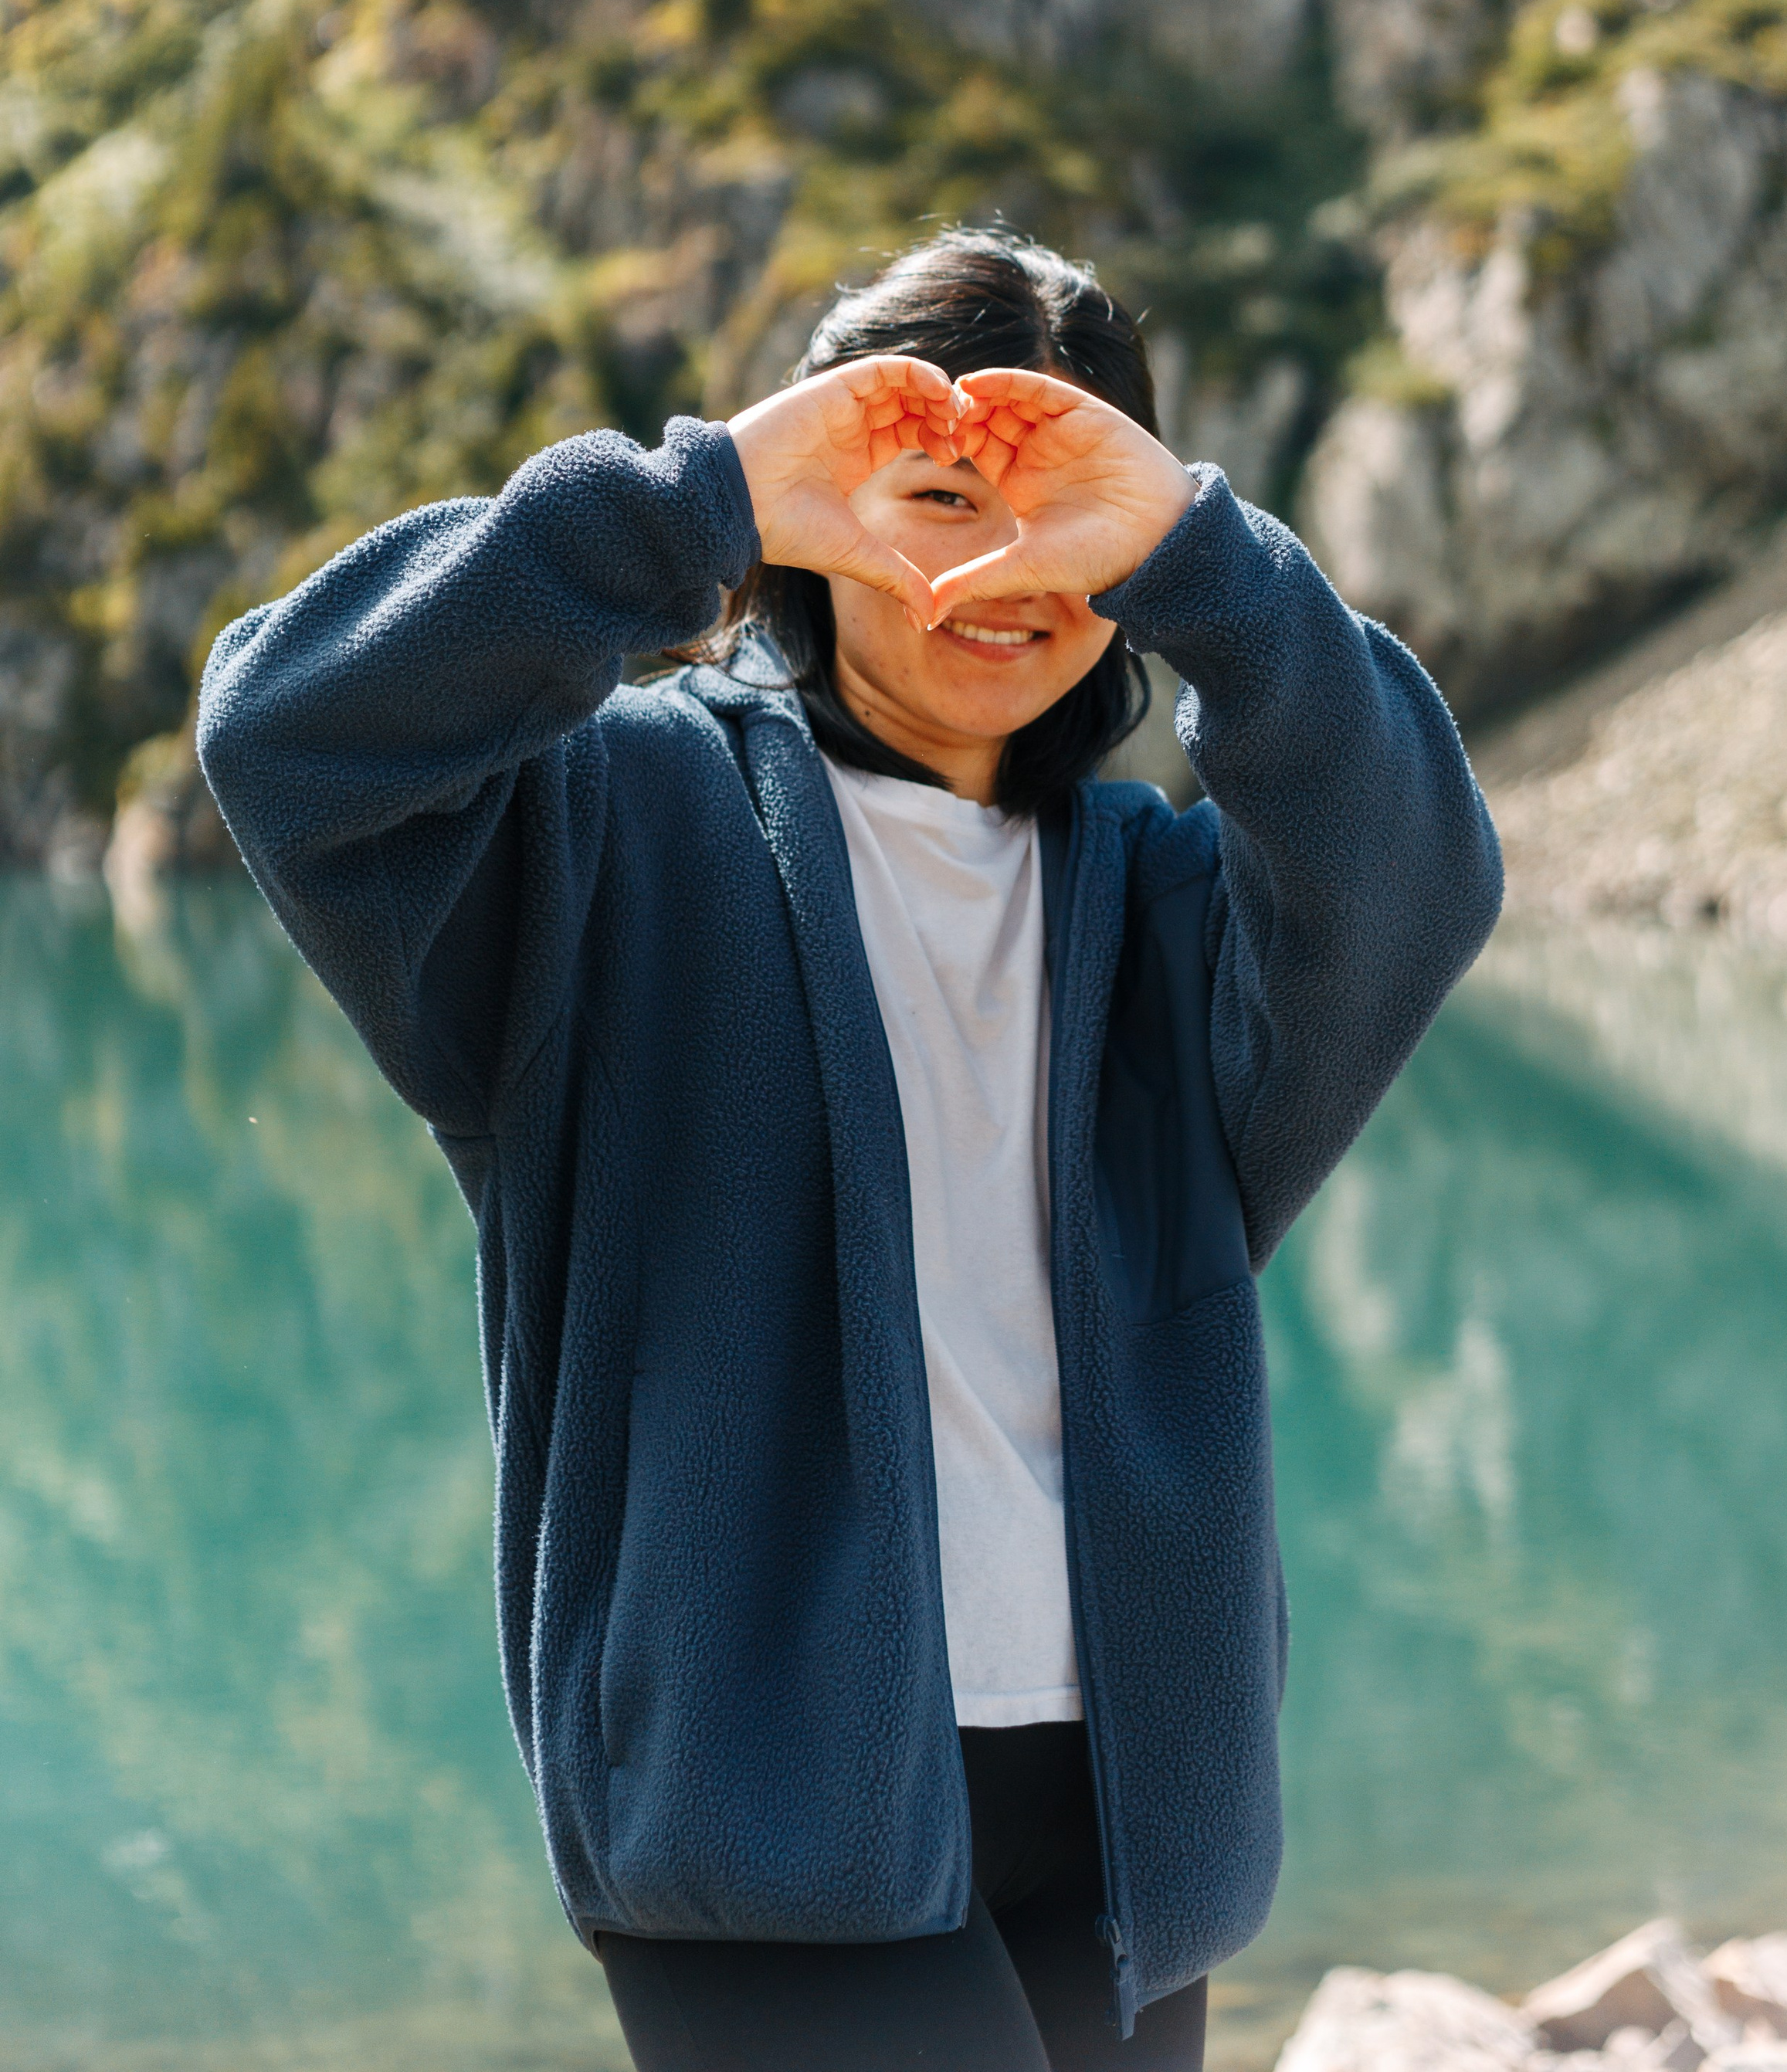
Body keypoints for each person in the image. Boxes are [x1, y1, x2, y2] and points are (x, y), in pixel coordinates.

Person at [197, 226, 1501, 2072]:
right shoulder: (600, 831)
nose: (998, 569)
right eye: (937, 499)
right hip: (764, 1815)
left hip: (1132, 1813)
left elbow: (1416, 871)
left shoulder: (1168, 909)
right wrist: (696, 503)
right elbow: (285, 735)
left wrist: (1207, 563)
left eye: (1063, 519)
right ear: (816, 515)